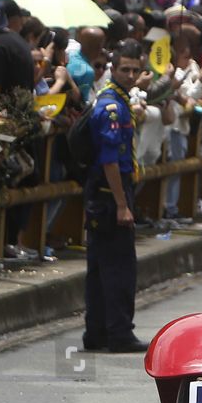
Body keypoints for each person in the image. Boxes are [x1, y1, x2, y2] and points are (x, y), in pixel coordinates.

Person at [83, 42, 147, 353]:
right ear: (113, 68)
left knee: (99, 265)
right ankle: (119, 333)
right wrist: (122, 205)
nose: (131, 75)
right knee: (119, 268)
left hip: (106, 192)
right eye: (125, 69)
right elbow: (110, 159)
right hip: (111, 193)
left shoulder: (119, 101)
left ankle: (96, 332)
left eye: (136, 69)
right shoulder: (112, 107)